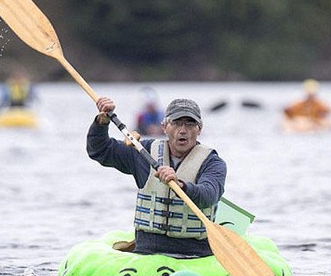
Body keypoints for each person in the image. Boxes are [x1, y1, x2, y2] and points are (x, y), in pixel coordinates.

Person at [87, 97, 226, 258]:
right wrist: (102, 123)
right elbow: (100, 151)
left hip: (194, 253)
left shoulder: (212, 162)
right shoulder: (142, 152)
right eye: (176, 123)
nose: (183, 130)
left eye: (190, 124)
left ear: (199, 129)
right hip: (147, 251)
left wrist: (181, 185)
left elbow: (209, 195)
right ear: (165, 127)